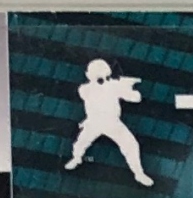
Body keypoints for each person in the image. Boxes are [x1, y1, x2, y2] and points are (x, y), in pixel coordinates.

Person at [64, 58, 153, 186]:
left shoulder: (113, 86)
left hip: (112, 123)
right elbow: (98, 93)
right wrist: (121, 86)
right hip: (94, 122)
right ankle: (76, 158)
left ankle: (139, 174)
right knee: (81, 143)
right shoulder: (85, 89)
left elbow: (136, 98)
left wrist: (127, 88)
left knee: (131, 145)